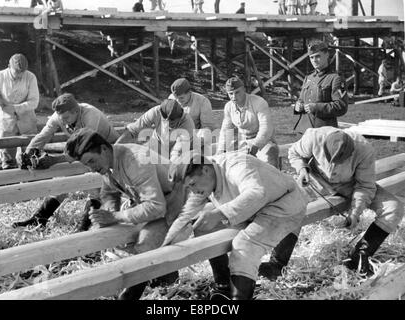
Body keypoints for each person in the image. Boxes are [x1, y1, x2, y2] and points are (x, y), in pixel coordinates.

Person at [65, 128, 189, 300]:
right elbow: (109, 193)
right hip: (156, 201)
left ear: (104, 149)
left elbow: (156, 207)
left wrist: (116, 217)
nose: (92, 169)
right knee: (126, 241)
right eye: (87, 164)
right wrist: (109, 212)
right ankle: (166, 279)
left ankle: (130, 296)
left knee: (146, 243)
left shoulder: (135, 161)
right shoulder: (108, 163)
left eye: (92, 161)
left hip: (177, 200)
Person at [167, 152, 308, 299]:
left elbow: (257, 193)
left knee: (245, 245)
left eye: (193, 184)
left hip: (283, 204)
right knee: (202, 226)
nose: (193, 191)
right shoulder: (208, 176)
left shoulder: (237, 166)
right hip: (253, 209)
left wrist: (220, 214)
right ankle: (224, 286)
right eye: (189, 188)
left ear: (205, 170)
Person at [288, 127, 404, 275]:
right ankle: (277, 262)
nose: (333, 165)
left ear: (351, 153)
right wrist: (302, 169)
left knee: (393, 207)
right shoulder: (313, 137)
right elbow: (294, 153)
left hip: (349, 185)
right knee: (291, 205)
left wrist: (355, 213)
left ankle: (359, 256)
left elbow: (365, 186)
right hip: (314, 181)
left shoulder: (364, 150)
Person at [12, 93, 120, 229]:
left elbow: (83, 146)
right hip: (84, 152)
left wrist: (55, 160)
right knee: (61, 180)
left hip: (104, 153)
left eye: (66, 118)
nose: (63, 122)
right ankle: (39, 219)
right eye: (61, 119)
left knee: (93, 183)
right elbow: (43, 135)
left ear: (76, 111)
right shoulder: (60, 116)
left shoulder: (91, 115)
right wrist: (29, 153)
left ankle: (83, 227)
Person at [0, 53, 39, 170]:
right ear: (9, 66)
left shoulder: (30, 77)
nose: (20, 75)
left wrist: (16, 108)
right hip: (6, 121)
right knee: (7, 158)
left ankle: (30, 181)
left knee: (30, 156)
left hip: (27, 120)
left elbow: (34, 102)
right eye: (17, 72)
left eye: (22, 73)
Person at [217, 77, 279, 169]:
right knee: (229, 165)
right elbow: (225, 130)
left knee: (269, 158)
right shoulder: (229, 107)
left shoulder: (259, 102)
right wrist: (221, 149)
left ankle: (274, 181)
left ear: (244, 90)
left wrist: (255, 146)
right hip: (243, 142)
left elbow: (266, 129)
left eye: (237, 92)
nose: (234, 97)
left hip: (264, 142)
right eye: (231, 94)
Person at [293, 40, 348, 135]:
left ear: (327, 55)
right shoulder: (308, 78)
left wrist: (316, 107)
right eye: (311, 57)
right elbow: (301, 99)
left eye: (318, 56)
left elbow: (341, 106)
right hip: (303, 131)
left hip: (323, 132)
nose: (314, 60)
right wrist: (297, 106)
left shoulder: (335, 78)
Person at [117, 99, 195, 162]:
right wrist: (115, 148)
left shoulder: (187, 124)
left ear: (180, 116)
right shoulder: (155, 112)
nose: (169, 123)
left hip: (178, 152)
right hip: (157, 143)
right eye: (167, 121)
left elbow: (177, 152)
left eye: (173, 121)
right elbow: (133, 130)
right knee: (139, 160)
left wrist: (167, 170)